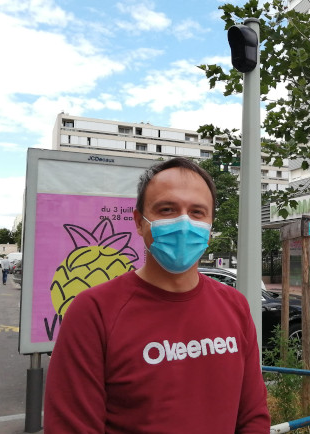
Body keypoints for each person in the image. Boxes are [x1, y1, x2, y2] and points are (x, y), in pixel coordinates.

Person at [44, 157, 270, 433]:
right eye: (167, 209)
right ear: (140, 222)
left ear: (210, 227)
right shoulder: (94, 312)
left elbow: (253, 416)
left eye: (197, 212)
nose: (184, 223)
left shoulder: (234, 305)